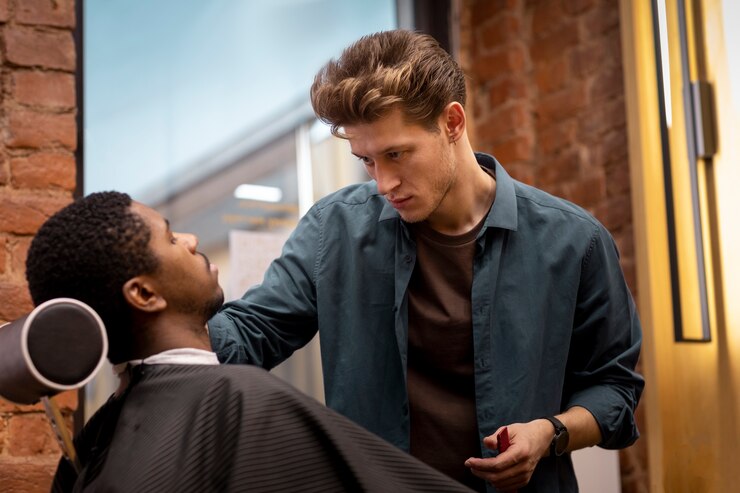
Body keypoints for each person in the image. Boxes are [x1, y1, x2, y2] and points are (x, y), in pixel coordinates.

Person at [208, 29, 644, 492]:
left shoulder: (575, 241)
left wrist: (549, 433)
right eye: (367, 160)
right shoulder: (332, 231)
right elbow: (250, 336)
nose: (383, 183)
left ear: (452, 122)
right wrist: (167, 298)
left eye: (397, 154)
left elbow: (614, 389)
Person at [25, 191, 474, 493]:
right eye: (169, 236)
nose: (191, 239)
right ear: (144, 294)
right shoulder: (240, 400)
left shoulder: (87, 447)